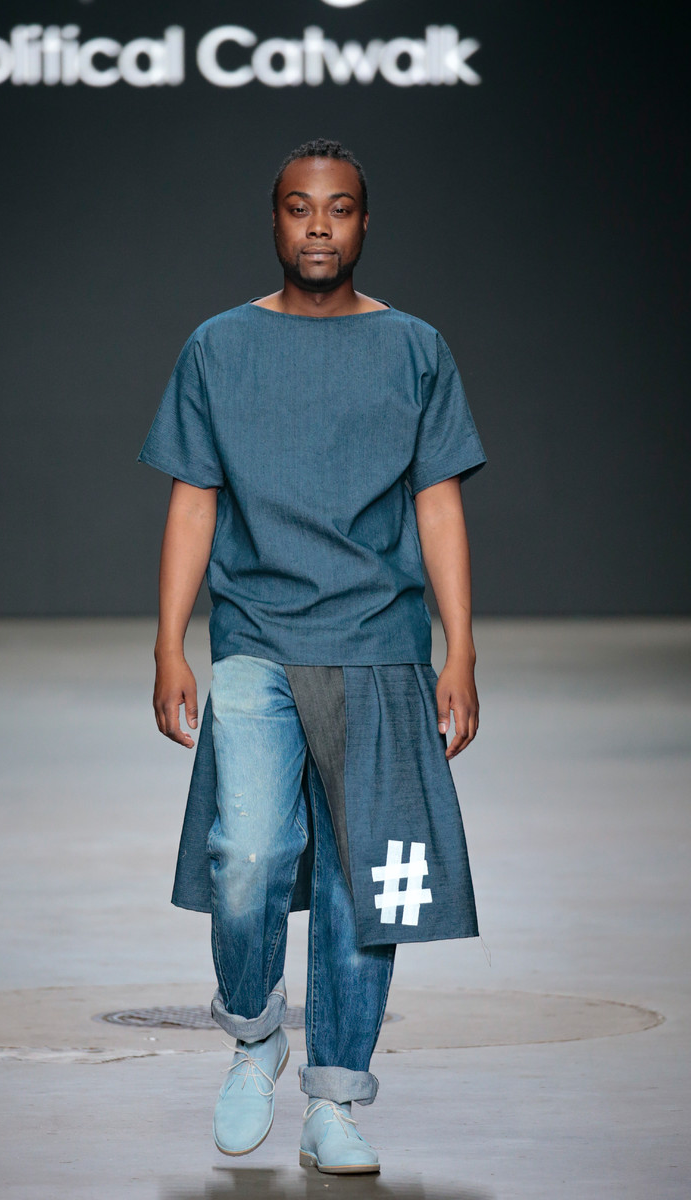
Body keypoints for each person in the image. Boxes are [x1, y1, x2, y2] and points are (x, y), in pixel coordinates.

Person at [138, 138, 486, 1176]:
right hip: (256, 637)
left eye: (338, 208)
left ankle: (336, 1098)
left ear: (364, 223)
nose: (319, 226)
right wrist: (168, 641)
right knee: (246, 854)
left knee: (363, 884)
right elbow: (193, 499)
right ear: (276, 220)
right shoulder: (217, 347)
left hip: (380, 648)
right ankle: (254, 1034)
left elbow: (437, 503)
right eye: (299, 208)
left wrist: (461, 648)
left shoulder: (415, 348)